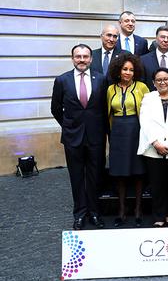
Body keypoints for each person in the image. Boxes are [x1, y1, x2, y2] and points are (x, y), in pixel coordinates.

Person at [51, 44, 108, 230]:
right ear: (72, 58)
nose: (82, 60)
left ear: (91, 59)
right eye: (78, 56)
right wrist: (69, 126)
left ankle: (94, 212)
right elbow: (56, 108)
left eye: (85, 56)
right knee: (76, 176)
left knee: (95, 176)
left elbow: (104, 108)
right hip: (72, 137)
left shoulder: (101, 79)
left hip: (96, 137)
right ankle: (80, 214)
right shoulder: (62, 80)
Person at [106, 53, 150, 227]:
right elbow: (107, 113)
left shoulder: (142, 87)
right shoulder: (111, 89)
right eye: (125, 69)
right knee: (119, 173)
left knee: (138, 171)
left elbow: (148, 113)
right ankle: (121, 211)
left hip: (136, 130)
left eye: (131, 70)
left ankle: (138, 211)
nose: (128, 72)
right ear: (118, 70)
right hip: (117, 131)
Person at [137, 68, 168, 227]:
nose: (162, 82)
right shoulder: (148, 98)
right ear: (153, 83)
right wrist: (156, 142)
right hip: (153, 148)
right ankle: (158, 217)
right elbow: (145, 121)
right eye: (159, 80)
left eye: (166, 79)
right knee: (156, 185)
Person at [141, 26, 168, 93]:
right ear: (156, 39)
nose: (165, 40)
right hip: (150, 99)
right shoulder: (143, 60)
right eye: (162, 37)